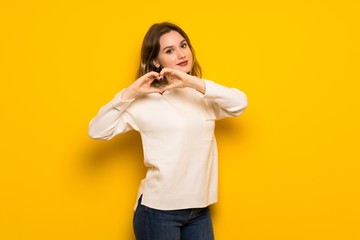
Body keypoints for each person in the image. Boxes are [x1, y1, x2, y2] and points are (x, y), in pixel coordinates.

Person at [88, 22, 248, 240]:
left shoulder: (202, 95)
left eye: (183, 45)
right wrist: (130, 92)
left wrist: (193, 82)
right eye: (169, 50)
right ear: (156, 61)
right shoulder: (143, 102)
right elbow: (98, 130)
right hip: (158, 213)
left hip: (199, 210)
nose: (181, 54)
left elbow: (239, 103)